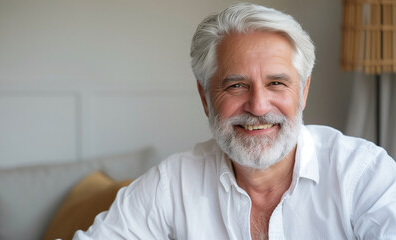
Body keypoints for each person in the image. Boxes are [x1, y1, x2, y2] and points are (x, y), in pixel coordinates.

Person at [74, 2, 396, 239]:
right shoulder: (172, 184)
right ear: (205, 98)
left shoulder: (363, 175)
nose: (258, 105)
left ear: (303, 91)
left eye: (276, 83)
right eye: (236, 85)